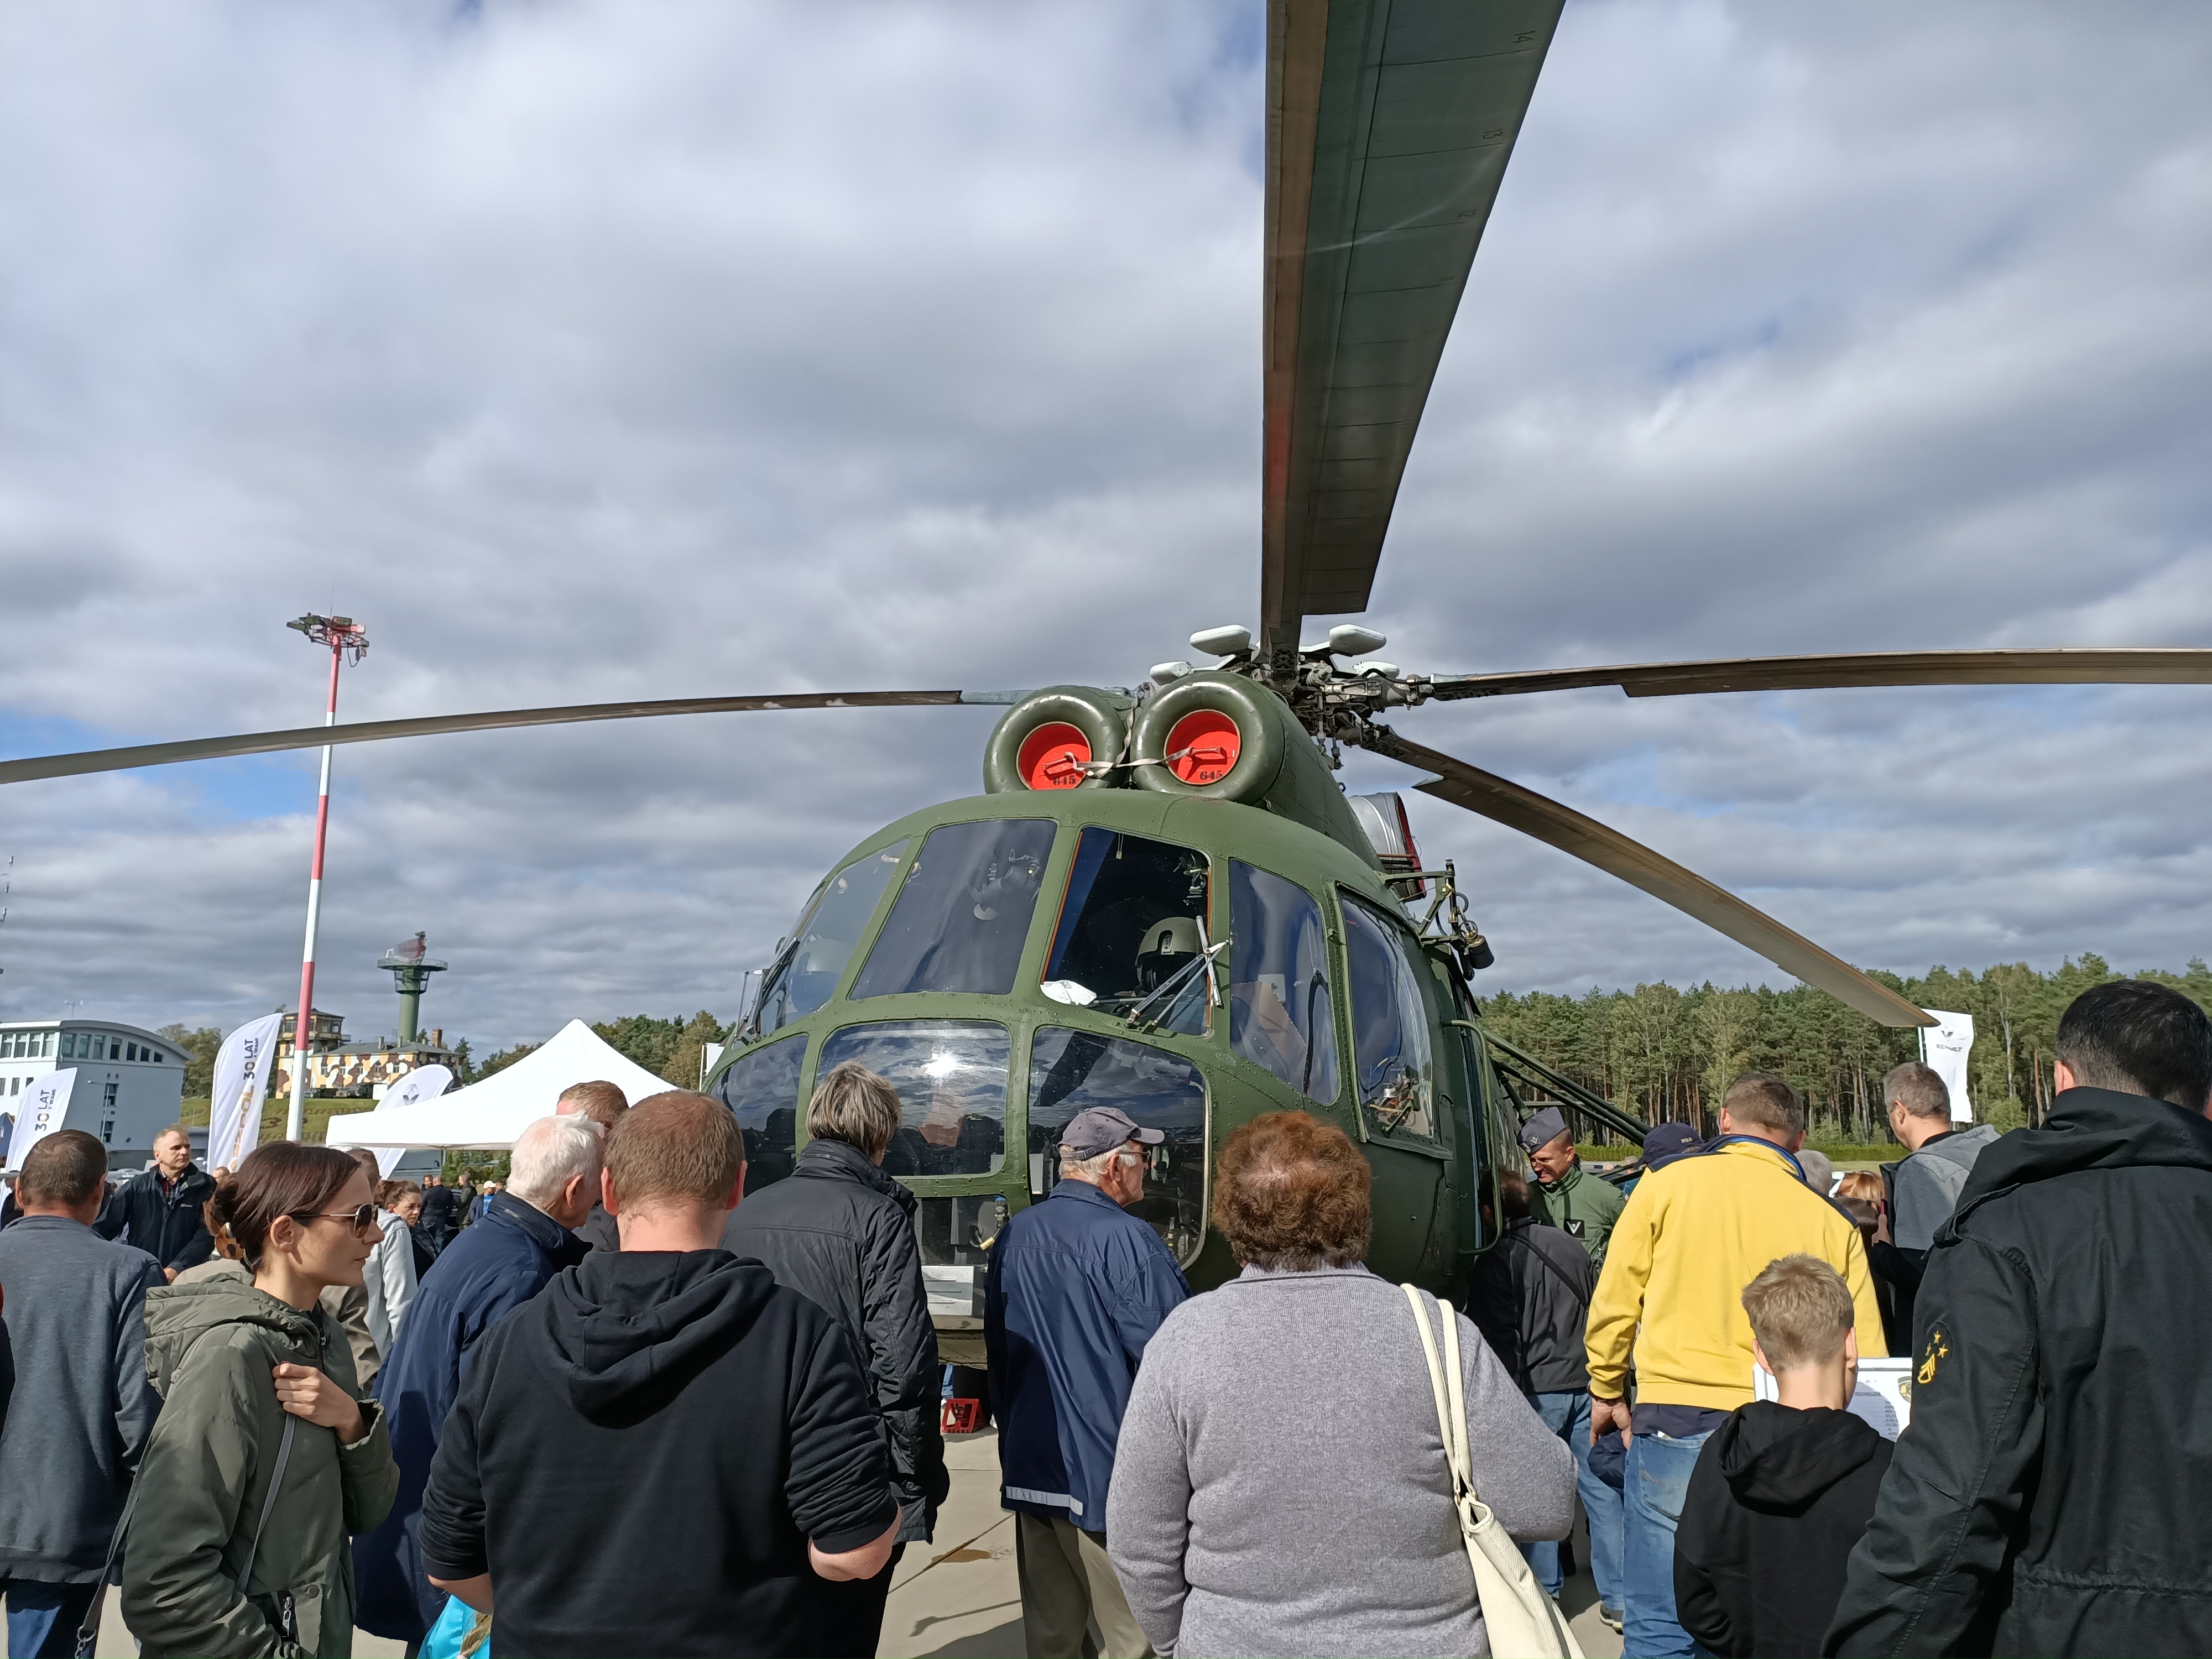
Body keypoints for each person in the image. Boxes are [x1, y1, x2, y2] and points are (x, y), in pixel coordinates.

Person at [417, 1091, 899, 1658]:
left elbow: (449, 1561)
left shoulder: (511, 1339)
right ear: (737, 1187)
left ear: (610, 1190)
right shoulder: (796, 1335)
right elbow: (852, 1551)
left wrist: (547, 1613)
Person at [1827, 980, 2212, 1657]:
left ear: (2062, 1080)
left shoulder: (2005, 1235)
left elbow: (1953, 1496)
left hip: (2064, 1629)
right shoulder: (2005, 1233)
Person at [1108, 1111, 1575, 1657]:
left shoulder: (1185, 1340)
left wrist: (1182, 1643)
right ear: (1356, 1210)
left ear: (1231, 1214)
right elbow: (1545, 1502)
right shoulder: (1436, 1332)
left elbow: (1138, 1539)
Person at [1586, 1073, 1885, 1659]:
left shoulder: (1665, 1186)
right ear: (1798, 1140)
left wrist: (1606, 1388)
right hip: (1790, 1435)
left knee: (1660, 1627)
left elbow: (1615, 1300)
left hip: (1677, 1419)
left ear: (1723, 1121)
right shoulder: (1829, 1220)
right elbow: (1864, 1351)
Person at [119, 1141, 400, 1655]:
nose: (376, 1233)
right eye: (359, 1217)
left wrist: (353, 1423)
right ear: (286, 1232)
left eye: (375, 1215)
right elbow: (163, 1584)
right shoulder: (231, 1355)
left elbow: (368, 1514)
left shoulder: (328, 1338)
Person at [353, 1115, 598, 1646]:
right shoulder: (523, 1272)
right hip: (452, 1528)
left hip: (417, 1497)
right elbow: (501, 1423)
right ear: (575, 1187)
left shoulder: (484, 1241)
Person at [721, 1061, 948, 1629]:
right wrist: (914, 1478)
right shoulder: (879, 1217)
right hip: (848, 1463)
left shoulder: (744, 1214)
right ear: (882, 1135)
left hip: (751, 1457)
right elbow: (903, 1363)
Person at [987, 1105, 1190, 1659]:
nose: (1149, 1168)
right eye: (1144, 1157)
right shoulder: (1128, 1241)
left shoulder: (1015, 1235)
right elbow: (1175, 1362)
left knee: (1052, 1638)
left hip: (1032, 1469)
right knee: (1138, 1641)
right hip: (1108, 1477)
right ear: (1116, 1165)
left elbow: (998, 1355)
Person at [1676, 1256, 1893, 1659]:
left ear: (1761, 1354)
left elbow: (1695, 1597)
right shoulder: (1890, 1471)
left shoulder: (1723, 1454)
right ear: (1850, 1345)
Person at [0, 1130, 163, 1656]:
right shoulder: (129, 1270)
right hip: (64, 1518)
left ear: (19, 1190)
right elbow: (140, 1411)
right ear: (100, 1192)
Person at [1470, 1167, 1622, 1632]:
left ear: (1489, 1211)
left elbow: (1499, 1337)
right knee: (1601, 1493)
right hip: (1587, 1385)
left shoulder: (1496, 1259)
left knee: (1538, 1492)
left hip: (1537, 1393)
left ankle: (1545, 1595)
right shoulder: (1571, 1246)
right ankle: (1619, 1599)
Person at [1867, 1061, 1996, 1347]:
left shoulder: (1922, 1170)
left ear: (1899, 1111)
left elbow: (1924, 1272)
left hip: (1946, 1340)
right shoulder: (1992, 1150)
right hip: (1996, 1324)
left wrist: (1881, 1252)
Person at [93, 1124, 215, 1281]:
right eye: (176, 1148)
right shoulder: (137, 1187)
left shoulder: (206, 1186)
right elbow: (108, 1225)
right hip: (142, 1274)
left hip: (188, 1278)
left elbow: (208, 1232)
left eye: (187, 1147)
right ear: (158, 1155)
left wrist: (178, 1267)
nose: (184, 1152)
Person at [1522, 1105, 1626, 1266]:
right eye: (1532, 1160)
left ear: (1569, 1154)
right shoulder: (1524, 1198)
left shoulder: (1606, 1197)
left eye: (1544, 1160)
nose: (1536, 1167)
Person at [555, 1078, 629, 1250]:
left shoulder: (640, 1193)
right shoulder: (563, 1189)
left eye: (571, 1130)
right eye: (557, 1129)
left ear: (612, 1128)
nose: (559, 1139)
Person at [360, 1168, 419, 1358]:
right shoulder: (393, 1228)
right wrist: (405, 1356)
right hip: (375, 1352)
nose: (417, 1212)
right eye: (410, 1207)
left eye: (419, 1206)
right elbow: (401, 1302)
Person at [415, 1173, 459, 1257]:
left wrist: (419, 1217)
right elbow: (451, 1205)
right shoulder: (447, 1192)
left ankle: (431, 1255)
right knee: (440, 1237)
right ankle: (440, 1255)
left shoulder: (429, 1192)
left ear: (435, 1182)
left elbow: (422, 1205)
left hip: (428, 1217)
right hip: (441, 1217)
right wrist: (446, 1215)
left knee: (428, 1236)